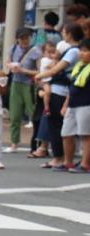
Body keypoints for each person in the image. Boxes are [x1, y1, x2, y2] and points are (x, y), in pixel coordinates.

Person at [36, 23, 84, 170]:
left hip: (60, 91)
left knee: (55, 125)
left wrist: (40, 75)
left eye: (64, 32)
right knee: (60, 126)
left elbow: (56, 69)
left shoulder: (73, 51)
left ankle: (59, 158)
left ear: (69, 34)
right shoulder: (75, 50)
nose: (63, 34)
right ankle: (62, 158)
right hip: (64, 91)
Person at [5, 27, 41, 153]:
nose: (25, 40)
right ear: (17, 39)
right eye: (22, 38)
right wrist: (11, 66)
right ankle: (14, 143)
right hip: (16, 84)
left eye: (27, 37)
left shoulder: (35, 51)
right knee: (14, 115)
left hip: (29, 85)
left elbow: (39, 71)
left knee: (34, 114)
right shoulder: (13, 48)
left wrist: (23, 70)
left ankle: (38, 144)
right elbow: (8, 62)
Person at [60, 38, 90, 173]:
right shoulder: (79, 67)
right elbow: (71, 88)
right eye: (81, 51)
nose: (82, 53)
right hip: (72, 104)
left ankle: (85, 164)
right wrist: (65, 104)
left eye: (86, 51)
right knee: (66, 133)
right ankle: (68, 162)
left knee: (86, 135)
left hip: (86, 104)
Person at [30, 40, 58, 159]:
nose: (51, 54)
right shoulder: (45, 60)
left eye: (53, 52)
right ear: (43, 52)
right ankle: (46, 107)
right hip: (46, 82)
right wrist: (56, 60)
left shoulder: (48, 60)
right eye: (48, 52)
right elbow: (54, 68)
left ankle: (42, 147)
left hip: (47, 82)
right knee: (47, 93)